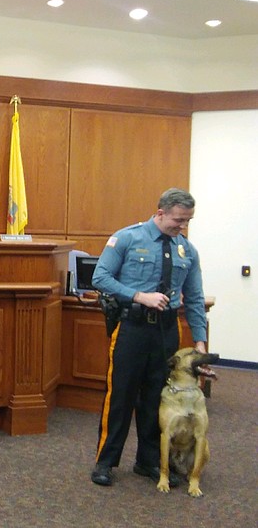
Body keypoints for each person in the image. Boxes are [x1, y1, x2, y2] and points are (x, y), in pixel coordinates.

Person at [90, 187, 208, 488]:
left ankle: (148, 461)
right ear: (160, 213)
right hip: (132, 328)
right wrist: (139, 296)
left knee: (157, 398)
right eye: (179, 220)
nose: (183, 227)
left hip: (167, 332)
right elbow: (100, 277)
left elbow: (194, 298)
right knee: (121, 396)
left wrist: (200, 342)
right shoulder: (128, 238)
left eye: (187, 221)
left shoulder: (187, 251)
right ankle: (106, 461)